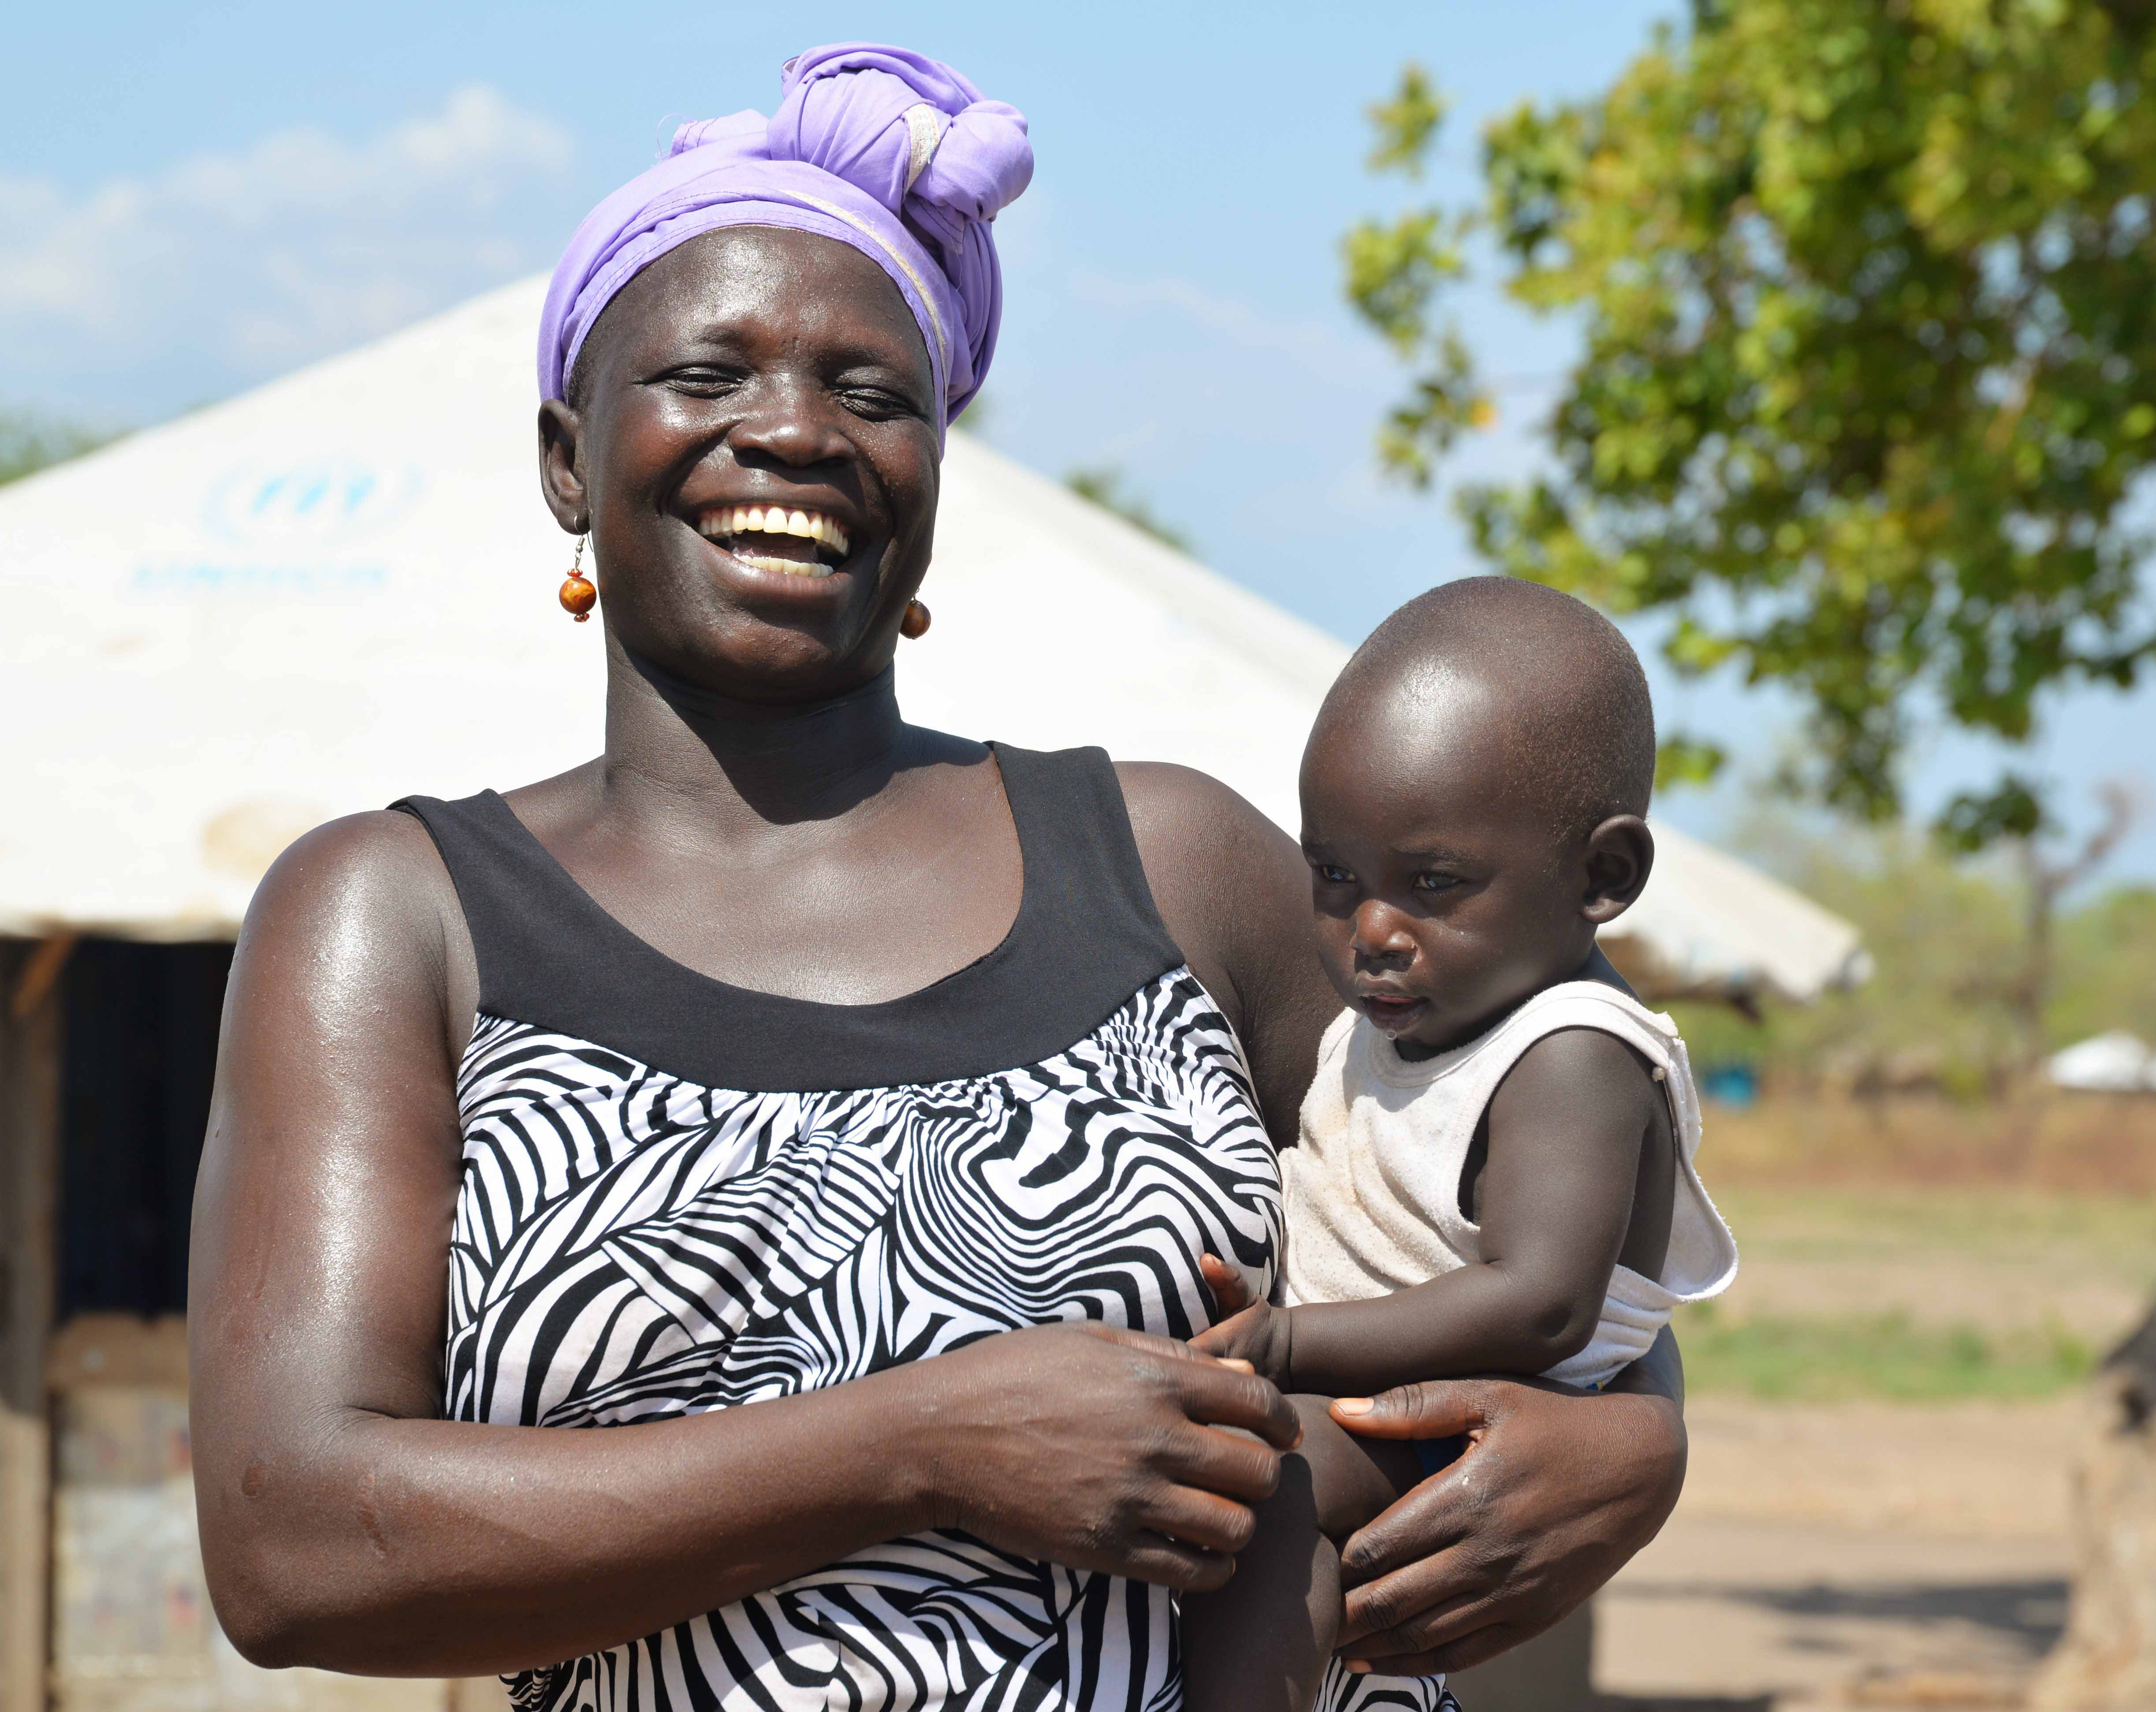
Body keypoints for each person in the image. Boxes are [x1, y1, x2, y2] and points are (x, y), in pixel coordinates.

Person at [186, 45, 1690, 1712]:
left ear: (931, 477)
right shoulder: (401, 922)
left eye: (873, 392)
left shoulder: (1170, 865)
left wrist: (1638, 1434)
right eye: (707, 372)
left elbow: (1518, 1190)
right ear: (567, 457)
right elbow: (292, 1544)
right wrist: (919, 1446)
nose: (793, 431)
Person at [1179, 579, 1739, 1712]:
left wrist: (1289, 1341)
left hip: (1458, 1426)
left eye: (1432, 884)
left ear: (1603, 878)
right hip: (1379, 1387)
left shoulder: (1572, 1053)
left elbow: (1540, 1306)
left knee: (1274, 1492)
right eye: (1334, 876)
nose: (1371, 930)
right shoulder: (1430, 1011)